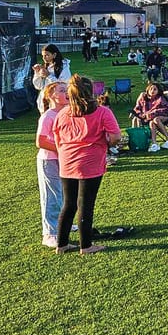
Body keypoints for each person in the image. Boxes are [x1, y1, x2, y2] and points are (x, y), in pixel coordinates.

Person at [51, 75, 122, 254]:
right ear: (90, 91)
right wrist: (105, 144)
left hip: (67, 162)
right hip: (90, 163)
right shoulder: (102, 112)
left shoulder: (62, 113)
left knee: (68, 204)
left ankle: (61, 244)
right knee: (86, 204)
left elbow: (57, 138)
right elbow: (116, 137)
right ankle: (86, 246)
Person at [35, 82, 68, 248]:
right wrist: (62, 150)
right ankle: (50, 233)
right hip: (49, 160)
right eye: (62, 90)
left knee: (64, 194)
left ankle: (63, 224)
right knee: (51, 196)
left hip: (64, 160)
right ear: (52, 95)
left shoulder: (68, 113)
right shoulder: (48, 116)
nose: (67, 93)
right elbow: (40, 141)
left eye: (68, 90)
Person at [132, 82, 168, 152]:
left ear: (158, 91)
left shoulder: (160, 98)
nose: (152, 91)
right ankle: (154, 144)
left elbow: (167, 110)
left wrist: (153, 112)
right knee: (152, 123)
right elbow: (137, 109)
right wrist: (141, 115)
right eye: (151, 89)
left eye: (155, 89)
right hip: (149, 119)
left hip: (164, 116)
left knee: (156, 119)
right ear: (148, 90)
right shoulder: (143, 99)